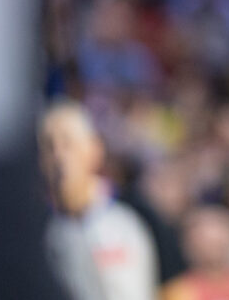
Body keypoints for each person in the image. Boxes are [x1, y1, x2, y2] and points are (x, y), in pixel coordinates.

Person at [39, 100, 161, 300]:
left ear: (94, 149)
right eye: (49, 146)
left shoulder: (130, 220)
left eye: (68, 143)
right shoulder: (40, 231)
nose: (59, 156)